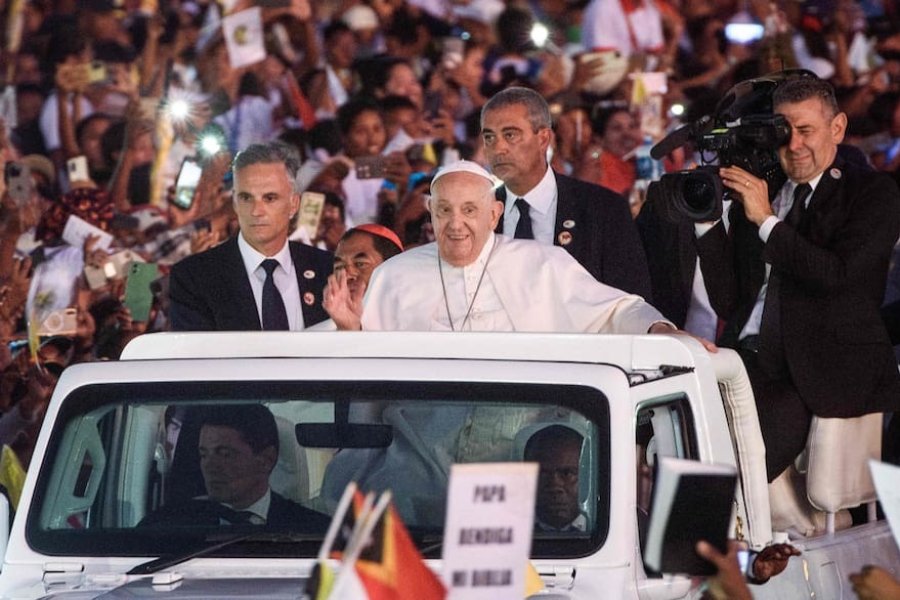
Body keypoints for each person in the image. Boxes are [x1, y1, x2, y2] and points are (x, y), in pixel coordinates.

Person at [696, 74, 900, 482]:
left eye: (806, 130)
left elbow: (839, 277)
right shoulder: (764, 191)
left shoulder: (872, 193)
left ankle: (723, 536)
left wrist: (768, 222)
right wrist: (706, 221)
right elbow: (728, 300)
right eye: (783, 131)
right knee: (663, 428)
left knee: (734, 468)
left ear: (837, 128)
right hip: (742, 359)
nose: (794, 145)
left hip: (817, 369)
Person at [332, 160, 712, 343]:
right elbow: (374, 364)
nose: (456, 223)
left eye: (469, 210)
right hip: (423, 446)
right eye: (444, 209)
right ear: (430, 211)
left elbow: (616, 310)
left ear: (495, 214)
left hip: (525, 437)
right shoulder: (395, 275)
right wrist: (350, 331)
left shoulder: (542, 263)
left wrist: (660, 328)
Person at [480, 87, 653, 299]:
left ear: (543, 139)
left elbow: (632, 300)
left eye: (510, 135)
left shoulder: (604, 209)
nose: (498, 148)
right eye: (489, 138)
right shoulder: (479, 212)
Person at [168, 142, 332, 331]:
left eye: (270, 198)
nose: (256, 211)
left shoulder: (326, 269)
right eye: (246, 198)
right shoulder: (194, 277)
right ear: (235, 204)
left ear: (294, 204)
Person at [142, 404, 330, 529]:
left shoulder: (315, 531)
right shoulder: (166, 527)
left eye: (225, 454)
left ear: (266, 459)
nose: (209, 466)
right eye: (204, 454)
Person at [321, 224, 404, 330]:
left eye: (360, 264)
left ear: (390, 266)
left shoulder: (417, 319)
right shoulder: (318, 333)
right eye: (339, 267)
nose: (347, 275)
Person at [525, 425, 586, 533]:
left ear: (588, 476)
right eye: (542, 473)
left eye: (567, 473)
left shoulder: (613, 526)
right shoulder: (511, 531)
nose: (554, 486)